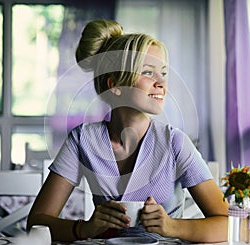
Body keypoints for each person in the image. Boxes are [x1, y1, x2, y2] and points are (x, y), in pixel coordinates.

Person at [27, 19, 228, 243]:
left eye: (163, 72)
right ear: (115, 85)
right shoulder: (83, 140)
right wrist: (85, 228)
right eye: (148, 72)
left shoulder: (175, 143)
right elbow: (36, 223)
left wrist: (172, 226)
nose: (161, 83)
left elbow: (231, 225)